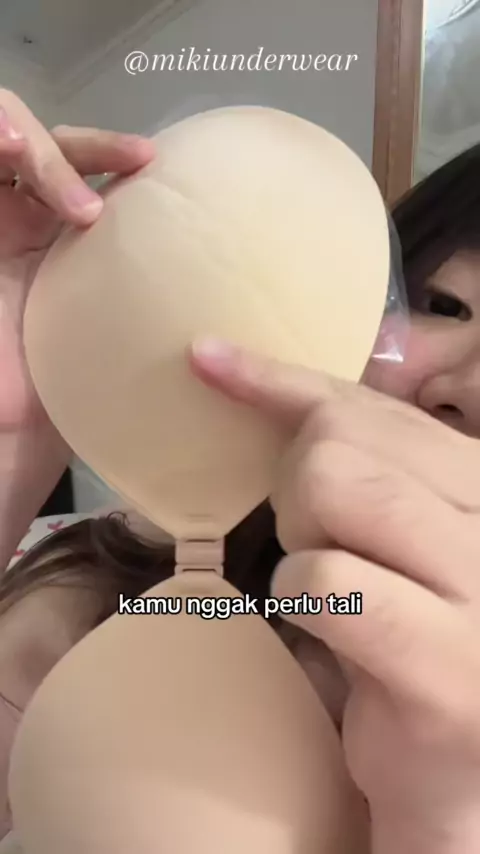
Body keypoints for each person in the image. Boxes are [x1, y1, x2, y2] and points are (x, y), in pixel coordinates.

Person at [1, 89, 480, 851]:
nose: (466, 389)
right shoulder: (105, 595)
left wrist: (444, 822)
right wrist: (15, 444)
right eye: (445, 305)